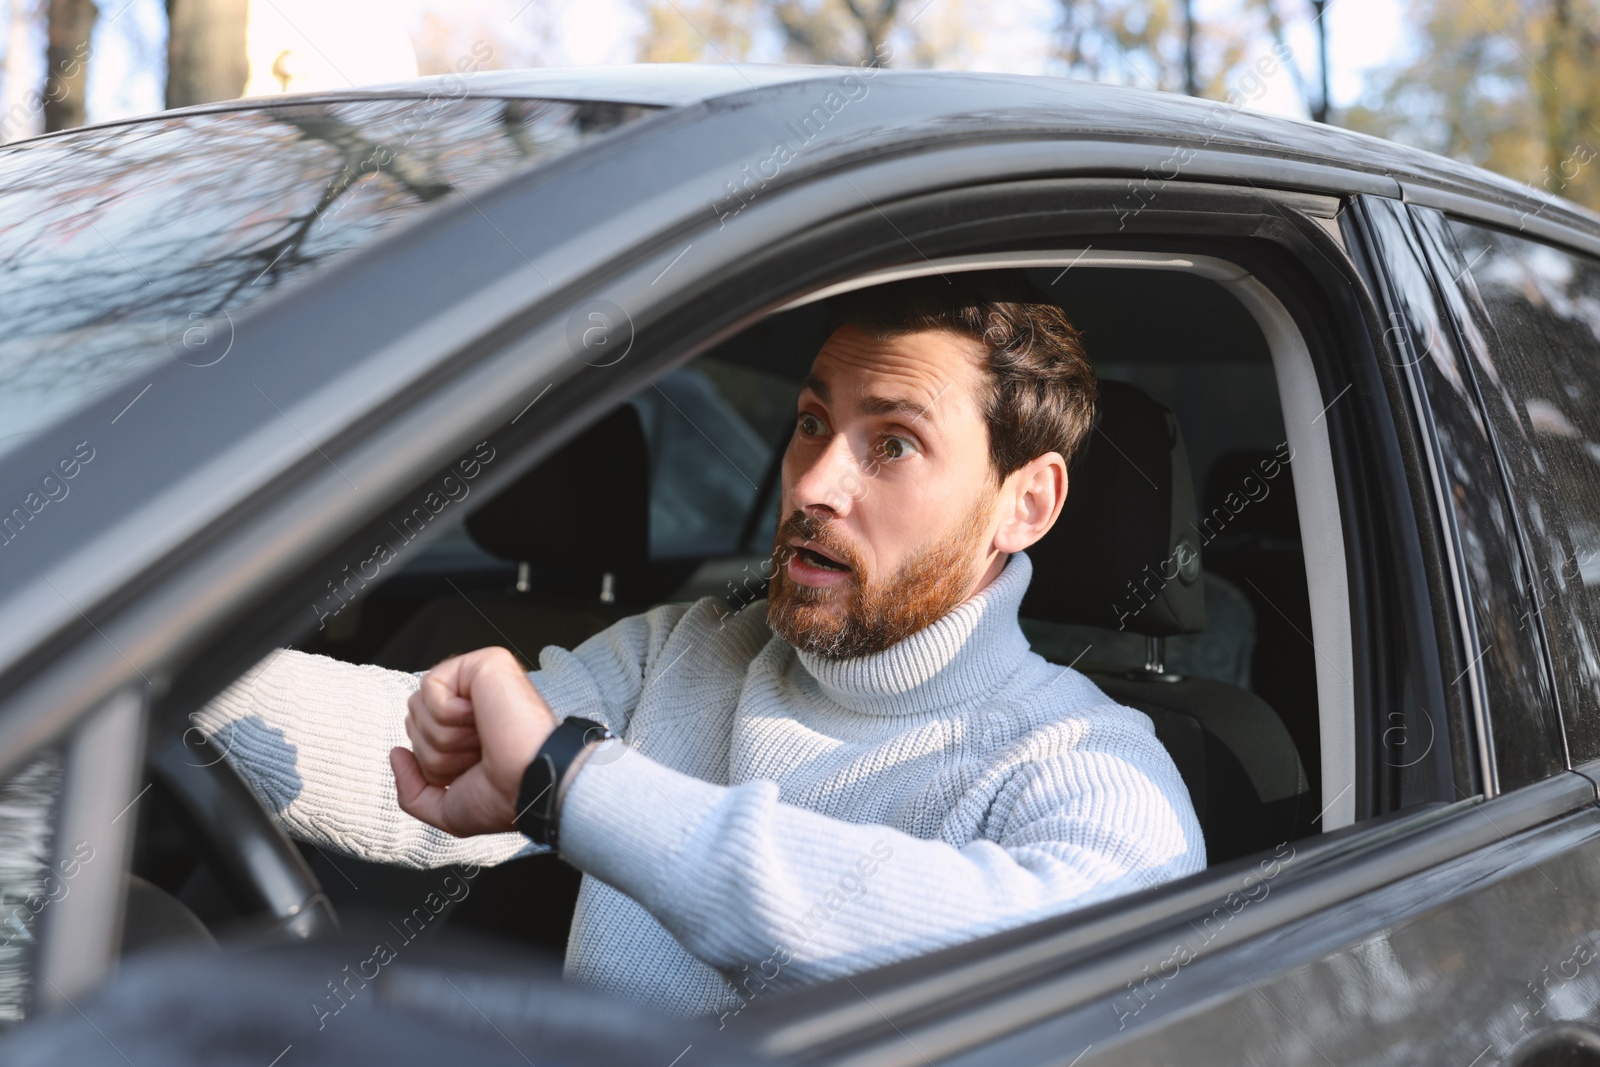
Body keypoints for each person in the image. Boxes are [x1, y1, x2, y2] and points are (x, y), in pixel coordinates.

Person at [195, 273, 1205, 1020]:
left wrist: (574, 786)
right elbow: (429, 758)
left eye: (890, 443)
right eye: (813, 422)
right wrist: (142, 672)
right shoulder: (693, 647)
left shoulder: (1097, 769)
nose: (812, 483)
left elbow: (1027, 969)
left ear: (1024, 503)